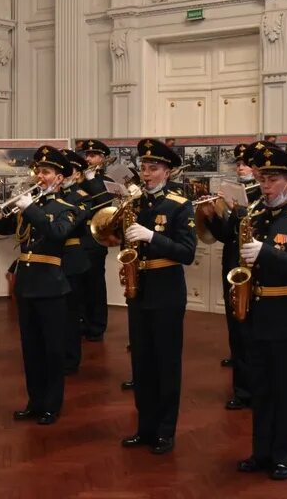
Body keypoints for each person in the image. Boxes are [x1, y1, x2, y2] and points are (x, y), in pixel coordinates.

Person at [236, 146, 287, 481]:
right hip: (256, 312)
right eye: (262, 177)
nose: (266, 184)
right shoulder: (254, 217)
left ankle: (284, 455)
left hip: (286, 316)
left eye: (273, 178)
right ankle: (261, 451)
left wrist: (267, 253)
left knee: (285, 391)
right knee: (260, 388)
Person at [119, 139, 196, 454]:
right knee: (142, 363)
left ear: (167, 171)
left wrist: (153, 236)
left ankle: (166, 430)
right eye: (143, 167)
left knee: (166, 363)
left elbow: (187, 253)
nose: (146, 173)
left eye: (153, 168)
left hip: (166, 289)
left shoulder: (179, 204)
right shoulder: (133, 203)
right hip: (139, 289)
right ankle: (145, 427)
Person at [0, 147, 78, 425]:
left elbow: (56, 233)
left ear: (60, 177)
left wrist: (30, 209)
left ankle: (51, 405)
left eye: (47, 172)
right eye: (39, 171)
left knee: (52, 349)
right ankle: (34, 401)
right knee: (30, 348)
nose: (40, 176)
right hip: (27, 283)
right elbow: (2, 229)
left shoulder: (67, 208)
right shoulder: (31, 203)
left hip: (51, 284)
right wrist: (8, 206)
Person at [206, 142, 262, 410]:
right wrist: (210, 215)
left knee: (252, 331)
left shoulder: (262, 197)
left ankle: (254, 388)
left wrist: (240, 210)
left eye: (246, 164)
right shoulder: (236, 194)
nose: (241, 168)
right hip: (232, 265)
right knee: (237, 327)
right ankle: (242, 389)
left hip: (255, 269)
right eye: (238, 164)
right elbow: (225, 235)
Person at [77, 139, 114, 342]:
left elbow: (105, 204)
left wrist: (92, 180)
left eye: (93, 155)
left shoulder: (105, 180)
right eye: (87, 155)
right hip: (78, 236)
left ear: (102, 159)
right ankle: (81, 321)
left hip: (95, 237)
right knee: (78, 283)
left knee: (95, 284)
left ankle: (97, 325)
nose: (88, 159)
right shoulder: (78, 178)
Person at [58, 149, 91, 374]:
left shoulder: (80, 197)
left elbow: (69, 225)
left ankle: (70, 359)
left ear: (76, 173)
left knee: (70, 314)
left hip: (71, 260)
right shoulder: (50, 195)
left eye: (68, 170)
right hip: (49, 262)